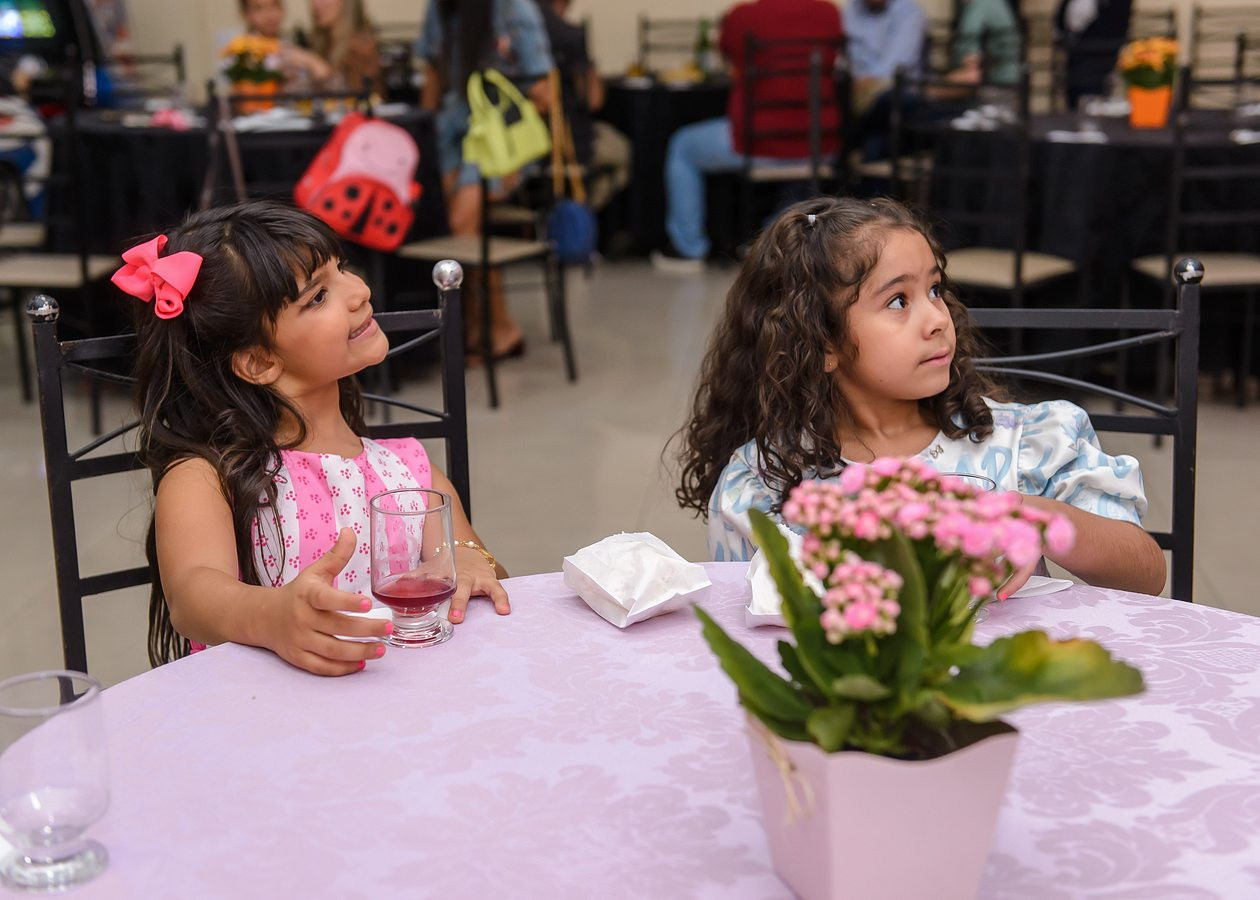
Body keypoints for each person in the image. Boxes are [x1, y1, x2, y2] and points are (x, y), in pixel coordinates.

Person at [675, 196, 1166, 598]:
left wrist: (1036, 517)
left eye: (934, 289)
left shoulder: (1029, 442)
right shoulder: (763, 485)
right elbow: (751, 629)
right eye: (898, 301)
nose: (937, 318)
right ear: (822, 344)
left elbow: (1144, 575)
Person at [127, 201, 510, 676]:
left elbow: (471, 565)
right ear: (259, 362)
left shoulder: (408, 471)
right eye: (318, 296)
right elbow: (192, 595)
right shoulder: (209, 477)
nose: (360, 291)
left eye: (342, 268)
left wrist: (470, 564)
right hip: (266, 708)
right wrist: (272, 617)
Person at [650, 0, 844, 273]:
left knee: (682, 145)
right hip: (819, 143)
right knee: (800, 171)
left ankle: (688, 248)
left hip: (757, 141)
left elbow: (727, 55)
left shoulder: (742, 16)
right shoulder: (830, 14)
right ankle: (772, 242)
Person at [417, 0, 554, 360]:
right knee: (461, 231)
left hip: (494, 139)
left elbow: (542, 90)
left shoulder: (513, 7)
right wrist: (424, 141)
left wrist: (508, 156)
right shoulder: (440, 7)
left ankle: (493, 327)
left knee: (463, 228)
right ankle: (485, 327)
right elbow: (433, 73)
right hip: (452, 135)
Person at [534, 0, 631, 211]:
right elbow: (593, 100)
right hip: (567, 144)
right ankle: (580, 213)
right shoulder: (569, 36)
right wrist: (591, 64)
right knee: (622, 151)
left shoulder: (512, 28)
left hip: (515, 144)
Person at [844, 0, 926, 160]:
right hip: (857, 90)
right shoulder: (850, 11)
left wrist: (866, 82)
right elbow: (845, 58)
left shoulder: (909, 12)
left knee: (887, 103)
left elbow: (897, 64)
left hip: (894, 90)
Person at [237, 0, 335, 88]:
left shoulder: (297, 43)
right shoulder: (240, 52)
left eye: (274, 5)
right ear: (246, 14)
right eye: (259, 8)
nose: (269, 15)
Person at [1055, 0, 1132, 109]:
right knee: (1073, 96)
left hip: (1100, 58)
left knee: (1092, 100)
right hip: (1076, 57)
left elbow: (1117, 25)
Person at [306, 0, 383, 93]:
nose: (315, 4)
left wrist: (315, 64)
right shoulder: (326, 43)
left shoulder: (362, 47)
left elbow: (360, 96)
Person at [950, 0, 1021, 86]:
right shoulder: (996, 3)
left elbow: (968, 51)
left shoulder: (981, 4)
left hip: (1000, 81)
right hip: (1011, 76)